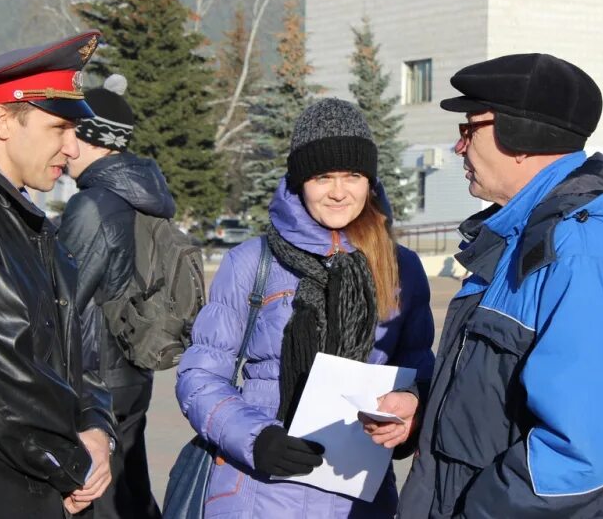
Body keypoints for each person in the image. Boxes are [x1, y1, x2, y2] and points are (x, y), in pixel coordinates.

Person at [397, 53, 603, 518]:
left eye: (470, 130)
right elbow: (495, 394)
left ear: (521, 137)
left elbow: (582, 450)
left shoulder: (581, 251)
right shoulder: (519, 237)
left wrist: (476, 511)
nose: (458, 148)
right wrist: (424, 408)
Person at [176, 98, 435, 518]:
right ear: (299, 183)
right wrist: (256, 438)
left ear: (370, 182)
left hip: (359, 494)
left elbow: (420, 372)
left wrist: (408, 417)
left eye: (352, 175)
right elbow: (200, 376)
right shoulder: (252, 262)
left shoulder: (401, 266)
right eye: (322, 176)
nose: (338, 191)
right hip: (260, 491)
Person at [0, 32, 117, 517]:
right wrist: (74, 464)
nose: (73, 145)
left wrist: (97, 427)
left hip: (35, 488)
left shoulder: (25, 220)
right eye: (59, 128)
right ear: (3, 120)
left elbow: (77, 352)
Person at [58, 74, 170, 518]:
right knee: (130, 489)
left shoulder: (93, 204)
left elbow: (66, 299)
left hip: (97, 375)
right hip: (131, 367)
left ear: (90, 136)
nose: (64, 145)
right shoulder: (139, 194)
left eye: (69, 130)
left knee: (100, 500)